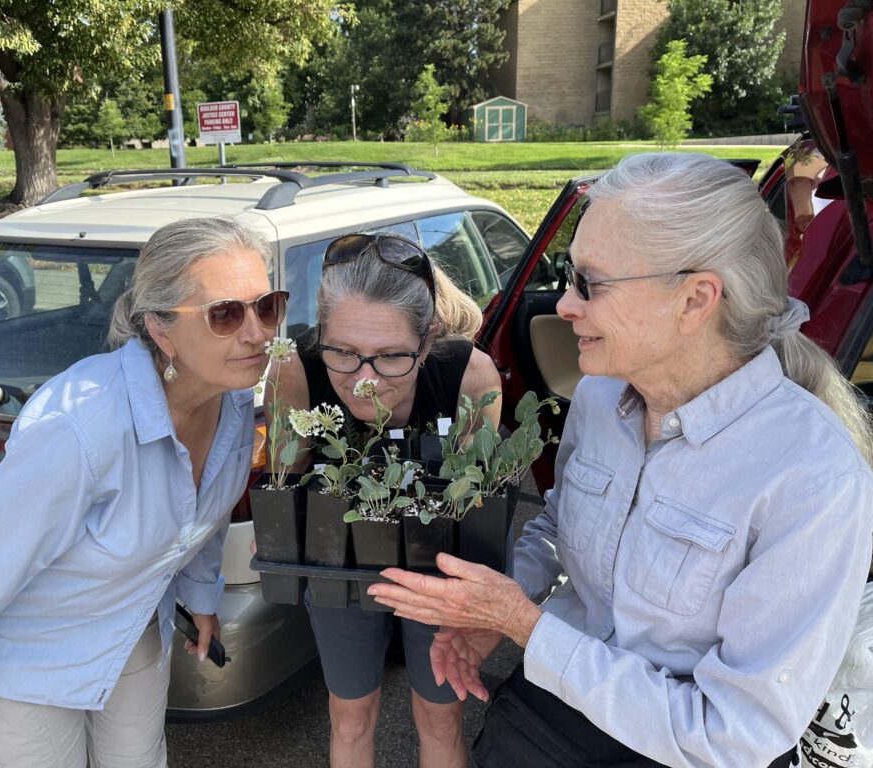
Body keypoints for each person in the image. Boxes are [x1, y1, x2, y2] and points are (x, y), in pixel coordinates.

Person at [368, 152, 873, 768]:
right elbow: (559, 527)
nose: (565, 306)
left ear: (695, 300)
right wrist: (496, 611)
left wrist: (527, 625)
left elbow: (732, 734)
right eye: (566, 275)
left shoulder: (810, 476)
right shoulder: (602, 395)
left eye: (590, 282)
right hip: (544, 713)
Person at [0, 217, 285, 768]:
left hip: (132, 634)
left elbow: (202, 519)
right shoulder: (81, 425)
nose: (258, 332)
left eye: (267, 306)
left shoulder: (236, 407)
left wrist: (201, 600)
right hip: (34, 659)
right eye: (226, 313)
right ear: (161, 329)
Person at [269, 232, 502, 768]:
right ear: (321, 334)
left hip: (439, 572)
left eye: (393, 356)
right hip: (339, 570)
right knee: (350, 717)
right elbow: (286, 481)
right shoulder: (296, 371)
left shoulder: (470, 376)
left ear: (429, 341)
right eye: (343, 353)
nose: (363, 380)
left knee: (440, 718)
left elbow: (480, 505)